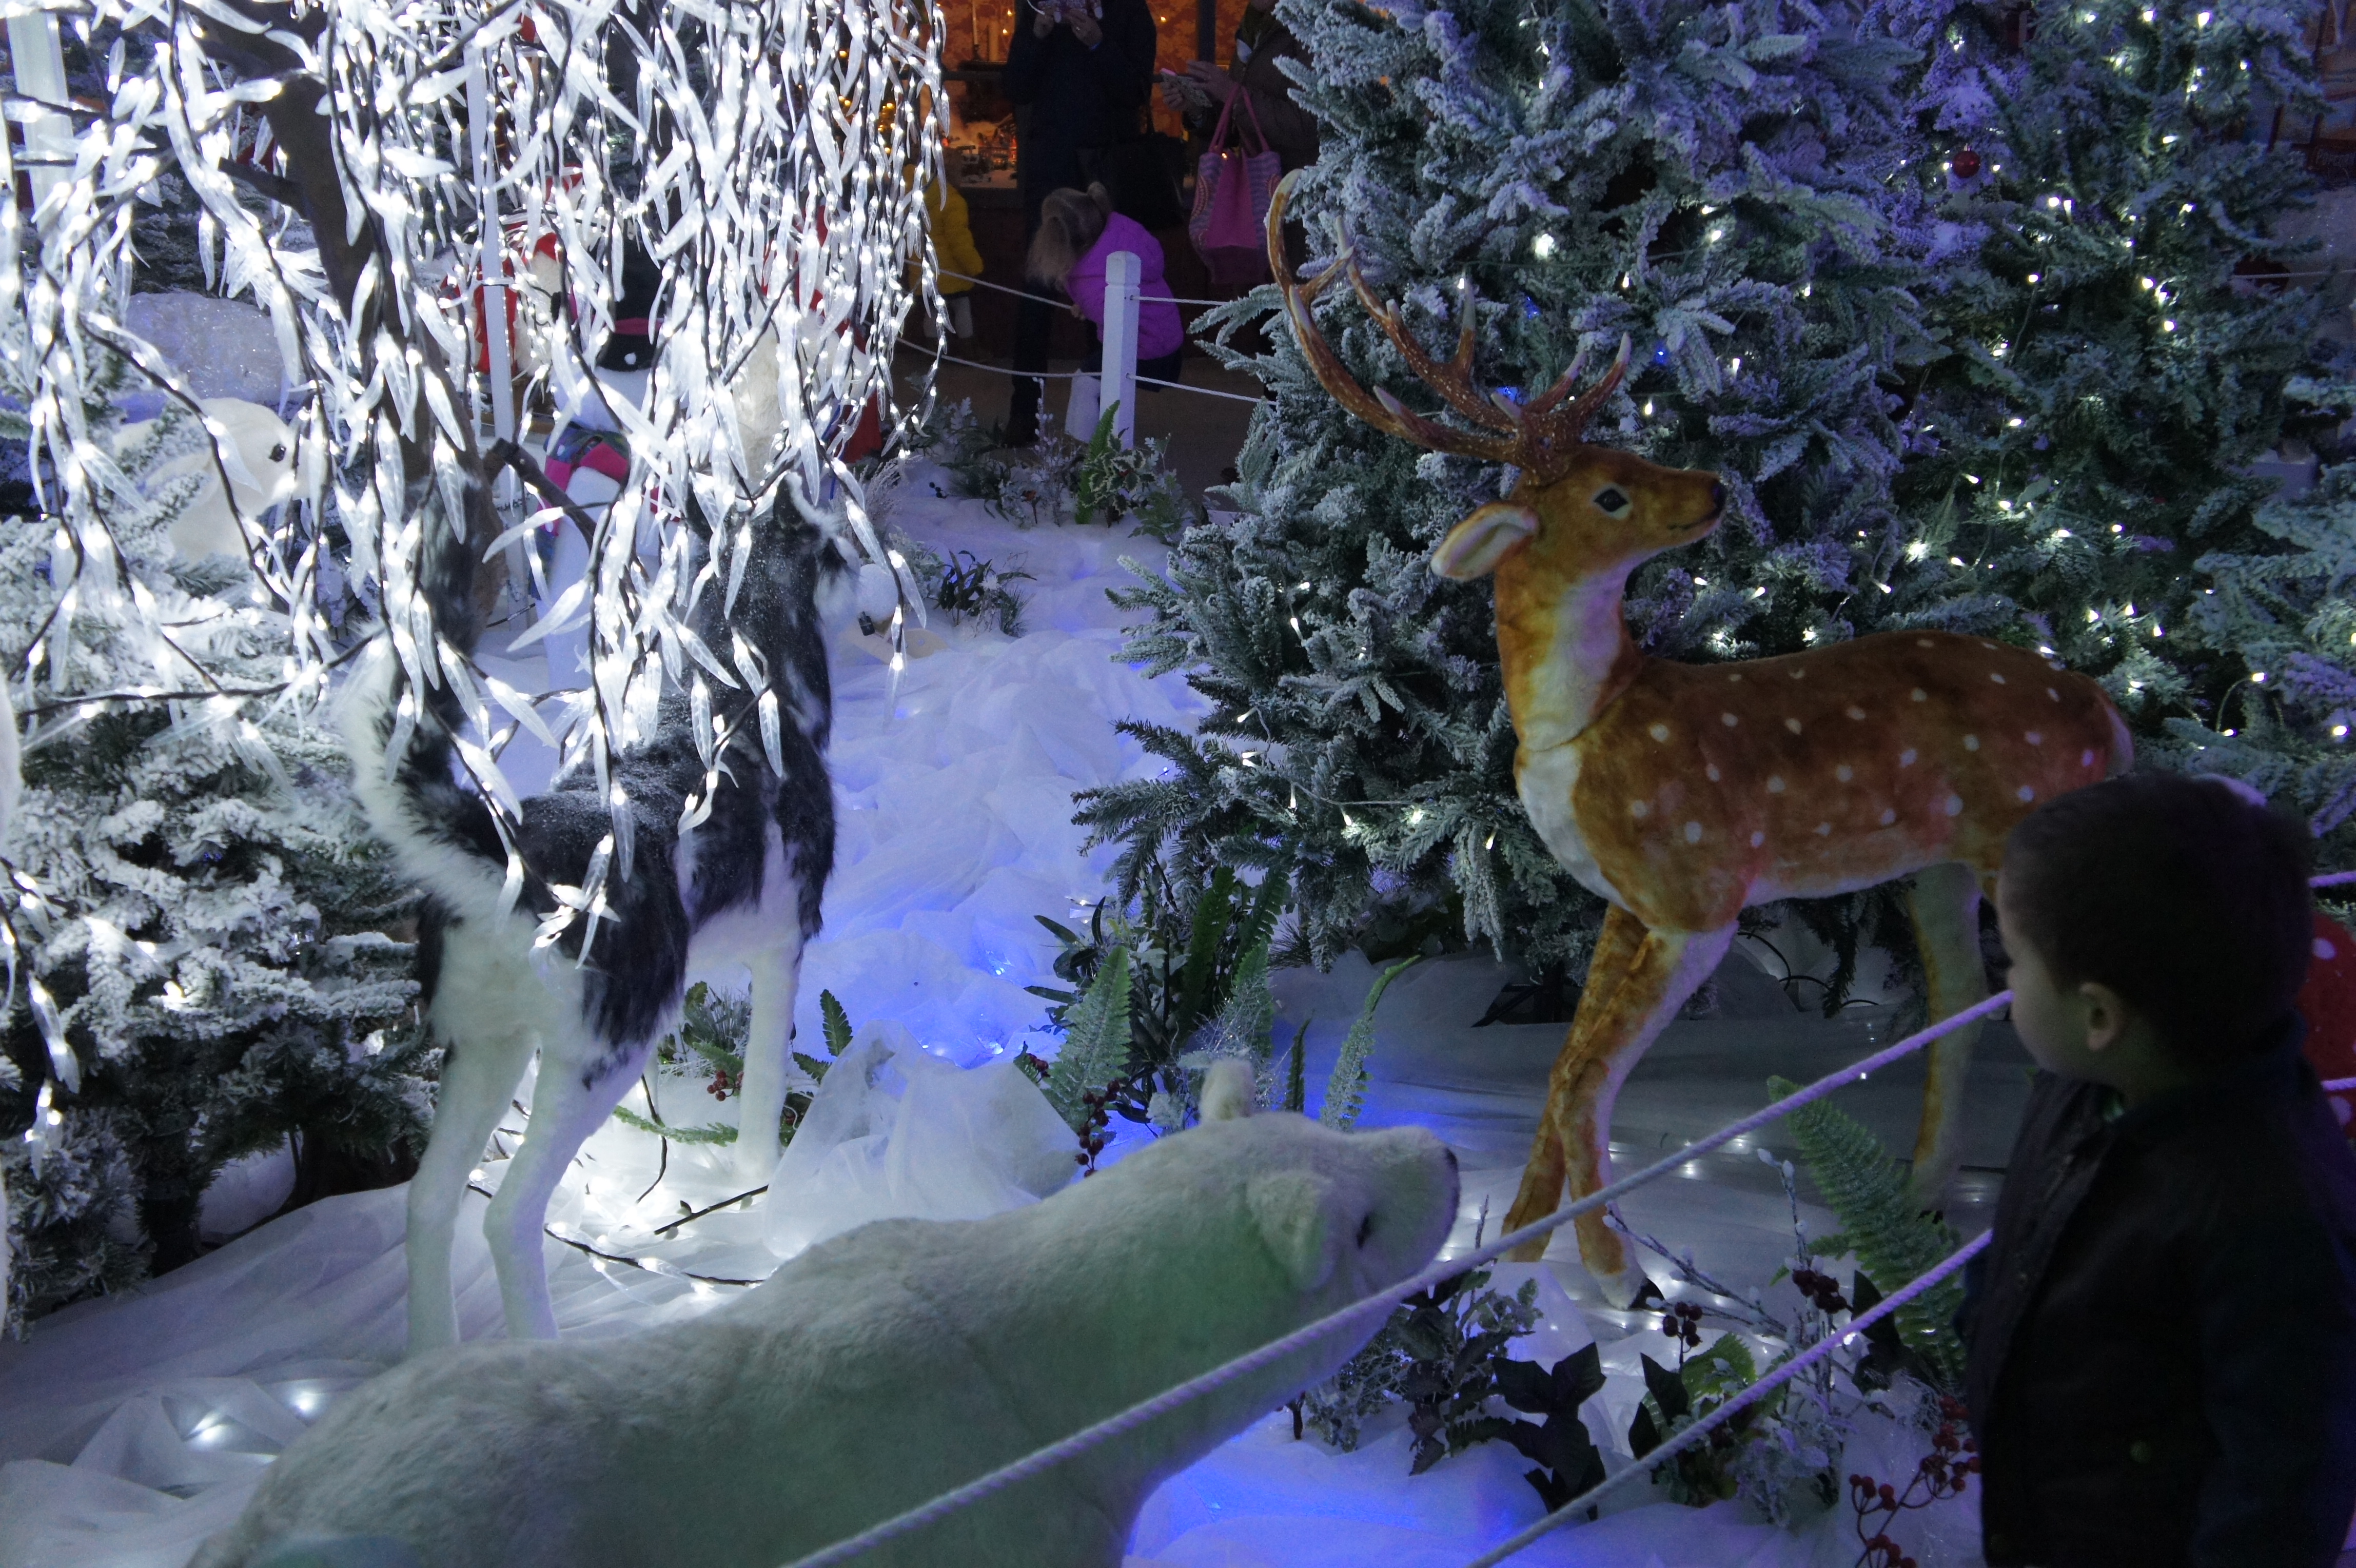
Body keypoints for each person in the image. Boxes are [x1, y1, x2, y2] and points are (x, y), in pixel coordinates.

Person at [1965, 771, 2356, 1566]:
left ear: (2098, 1014)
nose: (2004, 983)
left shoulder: (2271, 1216)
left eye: (2014, 960)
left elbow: (2283, 1485)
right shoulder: (2084, 1088)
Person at [1001, 0, 1157, 446]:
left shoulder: (1130, 11)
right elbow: (1015, 86)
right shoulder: (1038, 8)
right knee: (1037, 290)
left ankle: (1106, 420)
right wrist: (1037, 34)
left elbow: (1136, 92)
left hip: (1105, 170)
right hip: (1049, 169)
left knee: (1107, 293)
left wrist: (1099, 45)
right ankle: (1024, 413)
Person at [1025, 182, 1182, 434]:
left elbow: (1108, 309)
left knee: (1085, 383)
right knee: (1094, 383)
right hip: (1165, 338)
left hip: (1147, 348)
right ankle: (1099, 442)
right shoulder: (1119, 235)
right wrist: (1087, 307)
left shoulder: (1088, 281)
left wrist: (1088, 307)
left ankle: (1084, 449)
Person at [1158, 0, 1318, 175]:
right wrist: (1196, 107)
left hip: (1300, 181)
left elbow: (1310, 126)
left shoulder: (1312, 25)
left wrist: (1233, 95)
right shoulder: (1252, 25)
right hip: (1259, 180)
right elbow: (1238, 127)